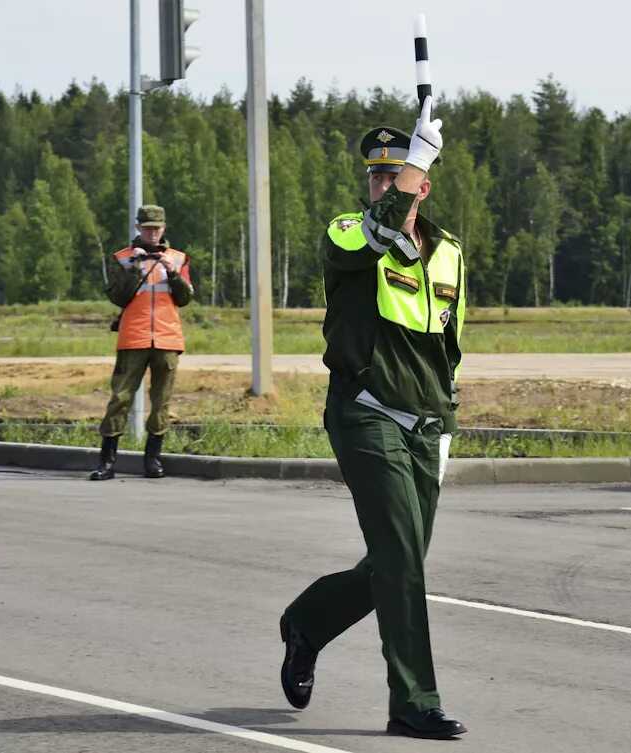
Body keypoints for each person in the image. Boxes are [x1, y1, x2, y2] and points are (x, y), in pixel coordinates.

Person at [279, 96, 468, 740]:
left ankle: (307, 623)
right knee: (401, 560)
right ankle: (413, 702)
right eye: (378, 175)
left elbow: (450, 342)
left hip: (426, 425)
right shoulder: (349, 235)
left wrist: (447, 417)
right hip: (366, 415)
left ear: (424, 182)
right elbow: (384, 230)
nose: (384, 184)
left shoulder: (449, 253)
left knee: (398, 560)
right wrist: (413, 164)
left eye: (399, 174)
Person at [89, 204, 193, 481]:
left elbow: (184, 298)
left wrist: (172, 273)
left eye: (157, 228)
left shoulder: (179, 258)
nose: (152, 233)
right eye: (147, 228)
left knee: (162, 402)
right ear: (138, 228)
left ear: (164, 228)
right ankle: (107, 462)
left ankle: (153, 460)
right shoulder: (123, 259)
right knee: (120, 398)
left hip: (167, 338)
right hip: (133, 338)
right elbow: (118, 297)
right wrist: (134, 269)